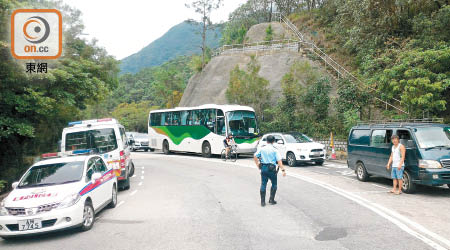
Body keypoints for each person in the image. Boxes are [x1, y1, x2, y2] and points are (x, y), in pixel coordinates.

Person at [254, 135, 286, 206]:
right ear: (273, 141)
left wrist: (258, 165)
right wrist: (283, 170)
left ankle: (262, 202)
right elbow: (279, 161)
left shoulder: (262, 149)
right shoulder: (275, 150)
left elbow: (255, 156)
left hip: (264, 168)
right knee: (274, 184)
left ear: (266, 141)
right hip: (272, 169)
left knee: (263, 184)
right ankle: (271, 200)